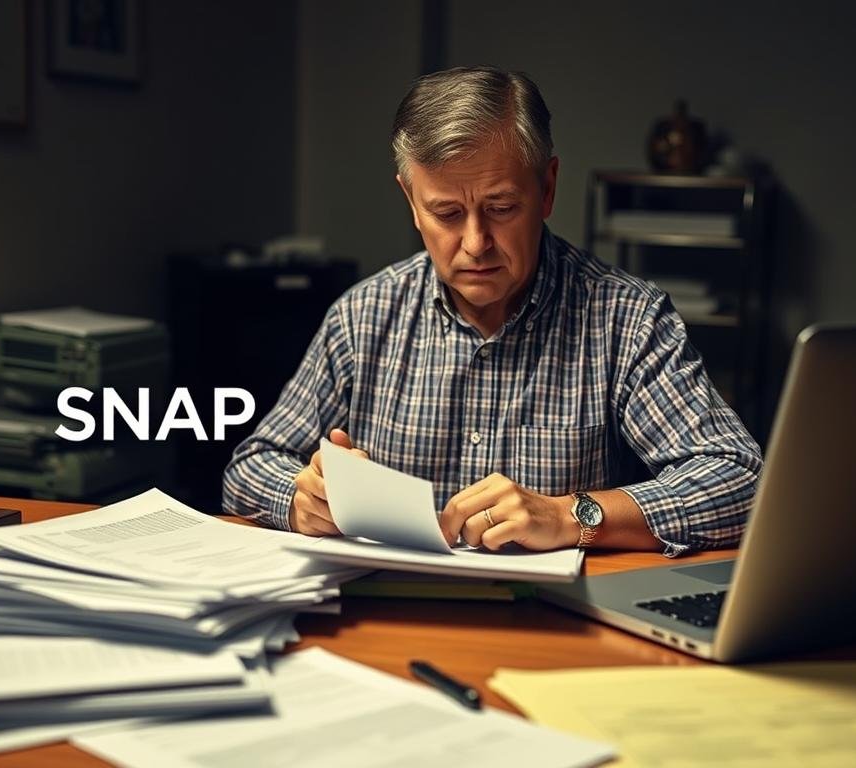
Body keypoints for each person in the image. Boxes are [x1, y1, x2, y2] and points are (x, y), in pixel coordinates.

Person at [223, 66, 762, 556]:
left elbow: (738, 480)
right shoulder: (363, 316)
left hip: (559, 628)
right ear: (411, 201)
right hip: (387, 618)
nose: (476, 243)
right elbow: (250, 467)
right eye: (447, 213)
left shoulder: (627, 319)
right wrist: (301, 499)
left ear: (547, 188)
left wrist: (570, 514)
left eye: (501, 208)